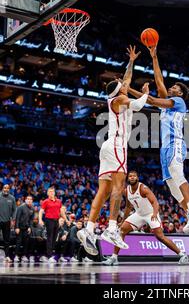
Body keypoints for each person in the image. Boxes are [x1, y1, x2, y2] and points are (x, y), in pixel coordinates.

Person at [128, 46, 189, 243]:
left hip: (175, 143)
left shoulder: (179, 102)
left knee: (178, 173)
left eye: (175, 88)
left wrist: (143, 94)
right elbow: (159, 80)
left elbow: (154, 101)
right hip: (164, 148)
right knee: (173, 189)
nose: (171, 88)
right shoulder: (168, 100)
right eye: (172, 87)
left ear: (180, 93)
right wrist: (154, 56)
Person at [77, 45, 149, 255]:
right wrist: (145, 93)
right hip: (117, 146)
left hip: (108, 146)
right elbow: (137, 106)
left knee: (104, 191)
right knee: (119, 188)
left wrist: (131, 61)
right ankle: (110, 228)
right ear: (119, 90)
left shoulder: (117, 95)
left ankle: (89, 229)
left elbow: (126, 79)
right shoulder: (120, 99)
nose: (124, 83)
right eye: (121, 84)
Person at [102, 170, 189, 265]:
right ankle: (114, 257)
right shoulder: (127, 191)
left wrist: (155, 213)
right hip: (139, 214)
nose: (132, 177)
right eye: (130, 176)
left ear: (137, 178)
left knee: (160, 236)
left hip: (150, 214)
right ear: (128, 178)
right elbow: (128, 207)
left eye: (134, 176)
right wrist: (123, 221)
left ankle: (182, 254)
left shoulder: (143, 188)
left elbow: (155, 202)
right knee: (122, 230)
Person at [38, 187, 69, 263]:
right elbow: (41, 211)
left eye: (52, 191)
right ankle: (49, 256)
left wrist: (66, 220)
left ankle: (50, 254)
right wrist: (40, 219)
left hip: (56, 221)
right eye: (50, 192)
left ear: (54, 193)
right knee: (50, 238)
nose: (51, 193)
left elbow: (61, 212)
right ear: (48, 193)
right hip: (49, 220)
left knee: (54, 238)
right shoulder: (46, 201)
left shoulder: (58, 201)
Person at [14, 195, 34, 263]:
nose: (29, 200)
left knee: (26, 242)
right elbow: (17, 218)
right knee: (18, 242)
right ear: (25, 200)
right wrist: (16, 227)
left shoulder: (32, 208)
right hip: (19, 227)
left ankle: (24, 256)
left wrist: (30, 227)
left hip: (26, 228)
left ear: (32, 201)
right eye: (27, 199)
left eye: (30, 199)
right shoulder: (21, 207)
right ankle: (16, 255)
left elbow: (31, 220)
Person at [0, 184, 16, 262]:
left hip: (7, 221)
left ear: (9, 189)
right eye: (5, 188)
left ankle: (7, 256)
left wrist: (13, 219)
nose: (6, 189)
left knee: (7, 240)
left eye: (8, 188)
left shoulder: (12, 198)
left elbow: (14, 210)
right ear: (2, 188)